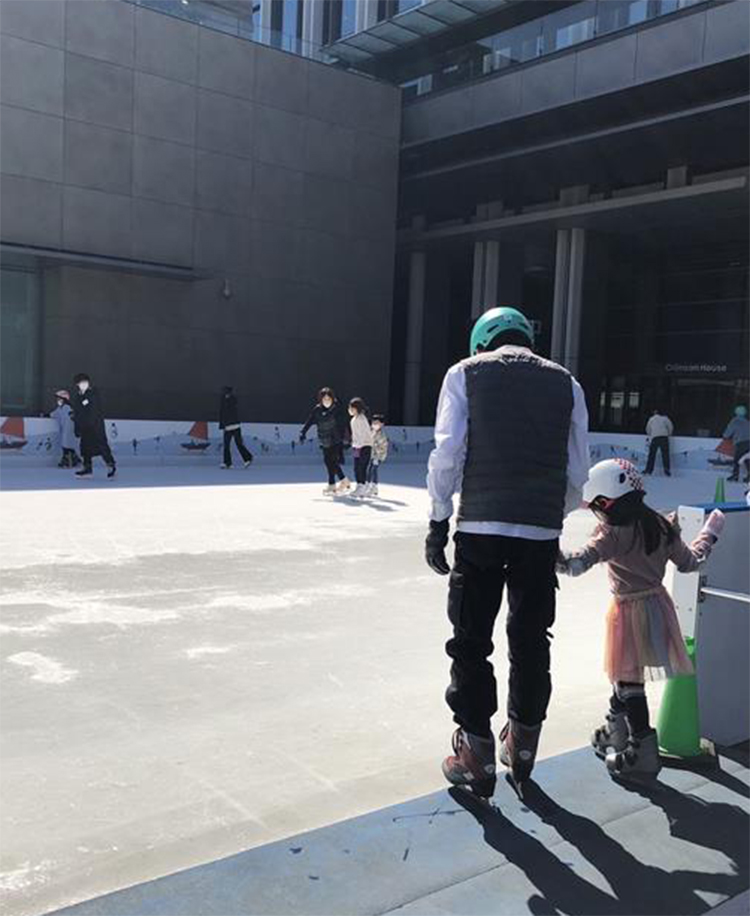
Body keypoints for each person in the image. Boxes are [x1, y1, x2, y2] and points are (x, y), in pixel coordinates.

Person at [426, 306, 589, 797]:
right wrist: (549, 517)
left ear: (483, 342)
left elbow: (448, 453)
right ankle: (522, 744)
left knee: (471, 639)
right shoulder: (568, 384)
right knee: (532, 638)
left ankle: (475, 753)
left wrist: (438, 520)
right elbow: (578, 472)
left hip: (480, 527)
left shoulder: (465, 373)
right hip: (539, 534)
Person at [557, 459, 724, 777]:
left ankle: (641, 752)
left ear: (607, 502)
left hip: (628, 613)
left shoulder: (612, 534)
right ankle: (616, 730)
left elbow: (576, 565)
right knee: (624, 674)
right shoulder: (660, 525)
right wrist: (709, 535)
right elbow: (691, 562)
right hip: (658, 608)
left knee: (628, 681)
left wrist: (547, 549)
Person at [299, 387, 351, 495]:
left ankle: (332, 484)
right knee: (328, 462)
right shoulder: (317, 409)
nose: (326, 401)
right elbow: (310, 420)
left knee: (332, 461)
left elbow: (345, 422)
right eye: (324, 399)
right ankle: (343, 480)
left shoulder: (337, 409)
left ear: (332, 398)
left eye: (328, 398)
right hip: (324, 438)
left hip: (335, 439)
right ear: (321, 399)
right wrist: (303, 432)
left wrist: (349, 437)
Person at [71, 374, 116, 478]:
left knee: (101, 445)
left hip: (95, 426)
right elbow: (77, 412)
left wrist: (91, 423)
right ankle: (87, 468)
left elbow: (94, 410)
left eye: (85, 382)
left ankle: (110, 465)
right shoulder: (78, 396)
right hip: (84, 427)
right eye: (81, 383)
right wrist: (77, 426)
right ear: (77, 384)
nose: (83, 384)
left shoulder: (93, 394)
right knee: (85, 448)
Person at [218, 386, 253, 469]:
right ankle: (228, 463)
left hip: (235, 426)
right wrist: (222, 425)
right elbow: (222, 414)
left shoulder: (232, 400)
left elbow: (227, 412)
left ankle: (248, 458)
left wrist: (223, 424)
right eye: (225, 392)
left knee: (239, 443)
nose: (226, 394)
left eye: (227, 392)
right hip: (228, 427)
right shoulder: (224, 401)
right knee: (226, 446)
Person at [348, 397, 373, 499]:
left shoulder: (361, 419)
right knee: (356, 467)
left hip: (364, 446)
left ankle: (362, 486)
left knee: (361, 467)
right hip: (357, 446)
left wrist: (358, 445)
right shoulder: (354, 419)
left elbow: (363, 434)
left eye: (352, 408)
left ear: (357, 408)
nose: (350, 410)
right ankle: (360, 486)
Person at [51, 390, 80, 468]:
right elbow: (54, 414)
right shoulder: (60, 408)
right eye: (57, 399)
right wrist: (45, 415)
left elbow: (72, 418)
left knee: (67, 446)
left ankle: (68, 461)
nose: (57, 400)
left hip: (69, 431)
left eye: (59, 399)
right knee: (66, 445)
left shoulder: (68, 408)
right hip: (65, 431)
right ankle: (74, 459)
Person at [723, 405, 750, 482]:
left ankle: (735, 475)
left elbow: (729, 431)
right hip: (749, 442)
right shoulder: (747, 422)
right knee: (747, 459)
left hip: (740, 442)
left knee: (737, 459)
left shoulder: (735, 421)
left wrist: (725, 436)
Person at [643, 409, 673, 476]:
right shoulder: (665, 418)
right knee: (665, 454)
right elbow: (670, 426)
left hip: (655, 437)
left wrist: (651, 434)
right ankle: (667, 470)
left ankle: (648, 470)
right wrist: (669, 434)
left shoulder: (651, 419)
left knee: (652, 455)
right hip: (664, 437)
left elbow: (648, 429)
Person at [365, 415, 389, 497]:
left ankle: (373, 486)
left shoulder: (382, 435)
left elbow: (383, 447)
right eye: (373, 423)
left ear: (382, 424)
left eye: (377, 423)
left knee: (373, 470)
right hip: (371, 455)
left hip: (378, 456)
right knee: (369, 470)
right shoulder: (371, 432)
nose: (374, 424)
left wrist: (377, 456)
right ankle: (368, 486)